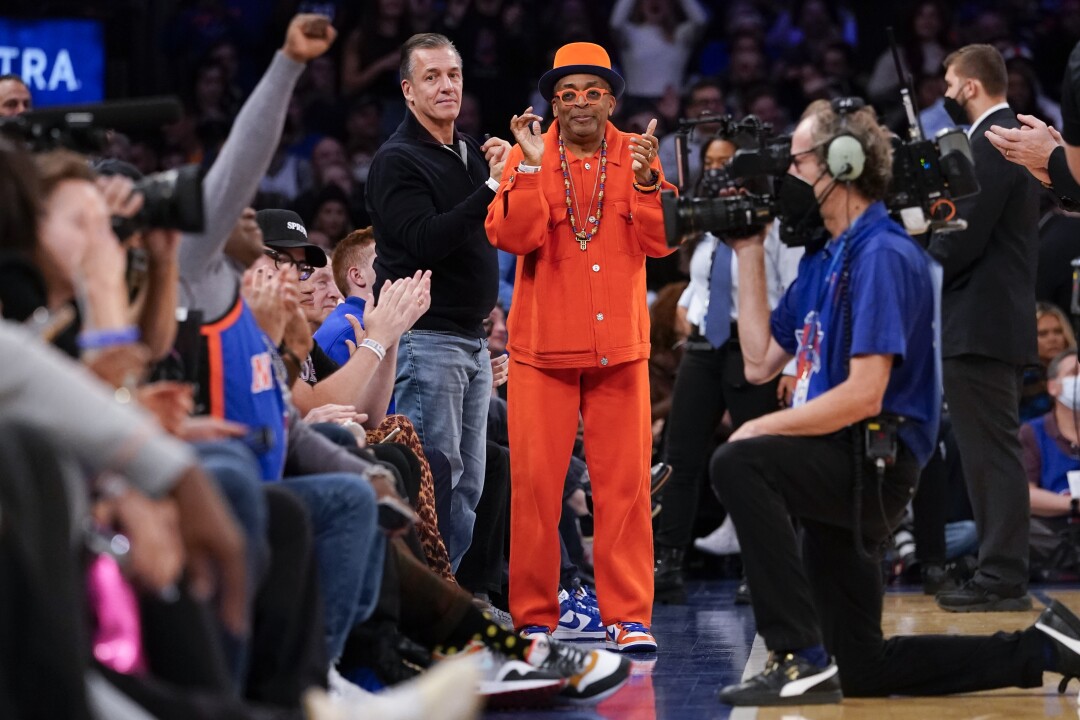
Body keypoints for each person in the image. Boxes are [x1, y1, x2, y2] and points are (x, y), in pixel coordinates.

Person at [711, 97, 1080, 707]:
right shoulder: (826, 257)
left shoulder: (881, 252)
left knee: (738, 461)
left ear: (844, 163)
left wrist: (760, 431)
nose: (789, 174)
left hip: (872, 467)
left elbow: (865, 393)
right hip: (842, 461)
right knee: (863, 667)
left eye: (799, 159)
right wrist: (749, 250)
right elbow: (757, 362)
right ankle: (1036, 648)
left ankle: (795, 658)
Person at [486, 41, 675, 652]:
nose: (581, 103)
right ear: (554, 105)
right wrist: (536, 166)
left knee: (624, 488)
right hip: (541, 353)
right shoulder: (524, 156)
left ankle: (629, 616)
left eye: (593, 92)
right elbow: (514, 237)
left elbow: (662, 243)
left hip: (620, 349)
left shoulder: (638, 156)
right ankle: (536, 619)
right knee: (536, 489)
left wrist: (649, 183)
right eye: (568, 94)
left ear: (612, 100)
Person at [365, 32, 509, 570]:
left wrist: (498, 174)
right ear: (408, 90)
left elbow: (484, 224)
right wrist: (492, 186)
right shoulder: (397, 160)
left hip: (469, 340)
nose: (446, 86)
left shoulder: (468, 149)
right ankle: (430, 607)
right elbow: (426, 239)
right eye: (431, 77)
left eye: (452, 75)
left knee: (467, 483)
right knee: (435, 479)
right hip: (426, 340)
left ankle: (447, 594)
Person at [653, 132, 802, 603]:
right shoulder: (704, 223)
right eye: (711, 162)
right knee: (680, 457)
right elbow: (702, 281)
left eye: (726, 162)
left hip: (753, 349)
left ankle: (760, 565)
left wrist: (794, 366)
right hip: (701, 349)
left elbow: (795, 296)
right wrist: (691, 313)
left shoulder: (774, 225)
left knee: (756, 457)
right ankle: (667, 561)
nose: (717, 171)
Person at [928, 44, 1040, 613]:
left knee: (991, 451)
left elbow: (963, 237)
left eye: (950, 82)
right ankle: (997, 568)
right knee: (983, 451)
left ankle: (1001, 575)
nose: (945, 93)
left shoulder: (994, 138)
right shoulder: (996, 137)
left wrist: (923, 239)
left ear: (969, 86)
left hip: (982, 321)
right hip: (983, 320)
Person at [1021, 302, 1077, 421]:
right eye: (1042, 334)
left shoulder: (1077, 374)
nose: (1052, 339)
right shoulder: (1020, 380)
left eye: (1058, 331)